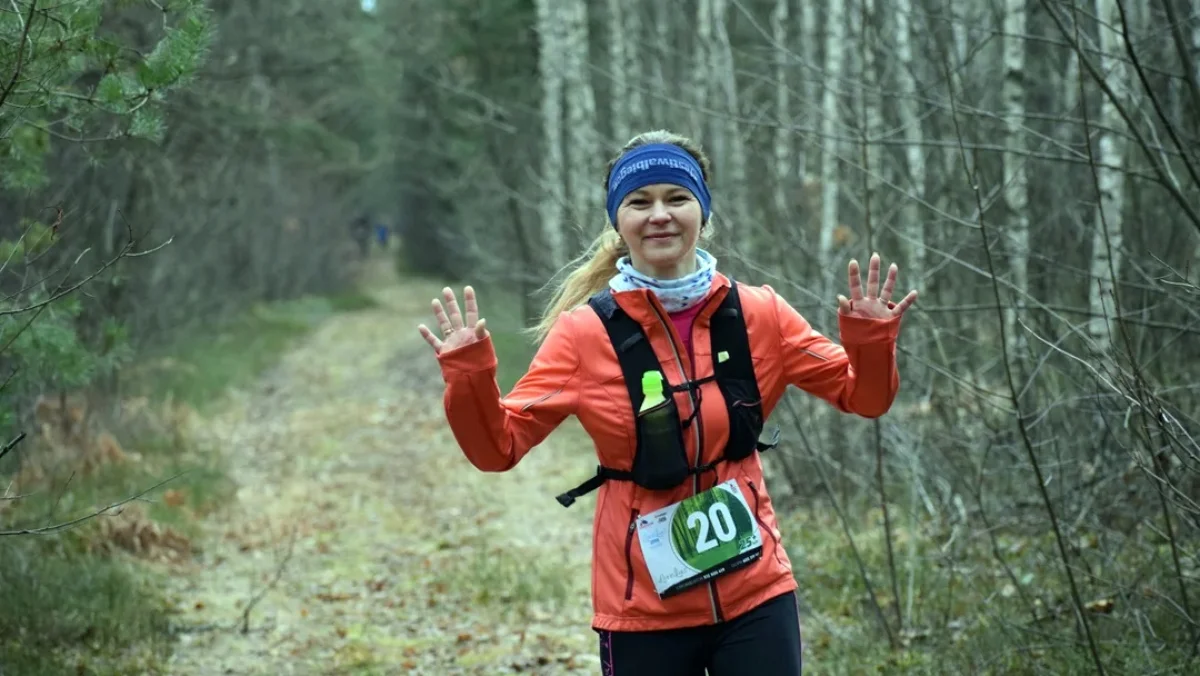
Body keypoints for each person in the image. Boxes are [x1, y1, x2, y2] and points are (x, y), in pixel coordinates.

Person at [416, 130, 918, 675]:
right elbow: (499, 447)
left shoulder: (760, 313)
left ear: (702, 210)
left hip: (755, 589)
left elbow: (862, 397)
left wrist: (869, 339)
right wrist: (469, 375)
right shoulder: (583, 335)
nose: (660, 215)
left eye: (676, 198)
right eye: (639, 202)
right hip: (642, 604)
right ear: (618, 221)